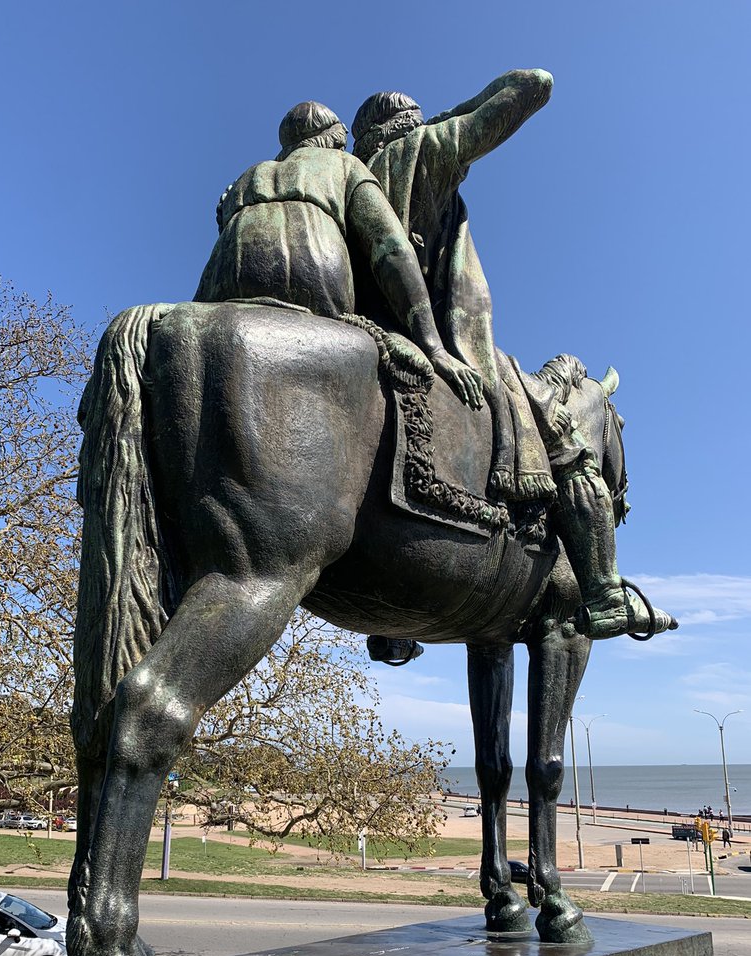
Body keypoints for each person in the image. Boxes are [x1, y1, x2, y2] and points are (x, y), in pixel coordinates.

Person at [351, 77, 675, 642]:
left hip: (372, 328)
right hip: (451, 340)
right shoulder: (422, 152)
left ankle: (395, 624)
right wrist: (449, 121)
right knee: (566, 438)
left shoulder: (350, 175)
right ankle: (602, 592)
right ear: (409, 125)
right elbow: (534, 85)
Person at [195, 101, 482, 408]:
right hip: (314, 295)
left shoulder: (247, 176)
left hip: (217, 293)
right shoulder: (344, 165)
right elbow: (392, 248)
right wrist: (434, 347)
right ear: (333, 140)